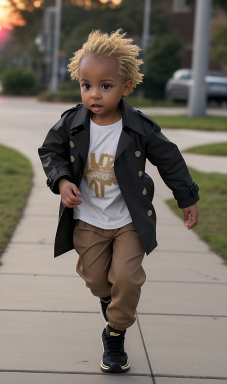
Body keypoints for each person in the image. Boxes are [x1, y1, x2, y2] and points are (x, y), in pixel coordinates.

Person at [38, 29, 199, 374]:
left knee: (126, 278)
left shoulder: (139, 127)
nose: (94, 93)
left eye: (105, 86)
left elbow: (169, 159)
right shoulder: (72, 123)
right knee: (98, 280)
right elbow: (50, 152)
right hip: (87, 220)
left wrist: (186, 197)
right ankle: (111, 303)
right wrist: (62, 179)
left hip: (129, 220)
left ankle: (115, 334)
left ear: (126, 87)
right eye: (86, 85)